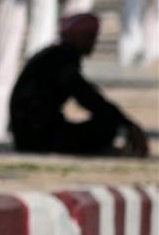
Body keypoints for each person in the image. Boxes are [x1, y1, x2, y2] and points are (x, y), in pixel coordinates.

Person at [10, 13, 150, 157]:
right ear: (74, 36)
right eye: (88, 36)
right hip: (38, 138)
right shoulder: (61, 58)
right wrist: (126, 124)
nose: (93, 42)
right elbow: (87, 97)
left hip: (31, 135)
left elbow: (86, 93)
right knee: (107, 126)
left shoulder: (55, 55)